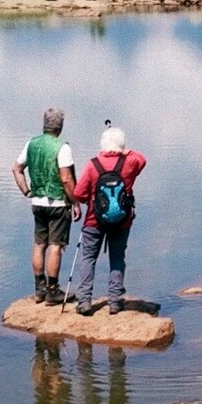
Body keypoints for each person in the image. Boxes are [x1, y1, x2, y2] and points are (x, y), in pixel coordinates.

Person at [67, 123, 148, 315]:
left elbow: (78, 193)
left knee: (88, 258)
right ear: (121, 145)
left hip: (95, 220)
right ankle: (114, 301)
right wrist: (126, 151)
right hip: (122, 220)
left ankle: (85, 301)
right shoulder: (130, 162)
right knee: (117, 258)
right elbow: (142, 160)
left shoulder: (93, 164)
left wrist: (90, 200)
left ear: (103, 144)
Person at [13, 108, 77, 305]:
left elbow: (16, 168)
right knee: (56, 246)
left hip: (37, 202)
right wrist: (75, 201)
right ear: (60, 126)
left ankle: (39, 289)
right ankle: (52, 291)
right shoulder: (62, 147)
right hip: (57, 203)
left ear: (44, 124)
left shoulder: (31, 143)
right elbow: (66, 178)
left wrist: (26, 191)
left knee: (39, 244)